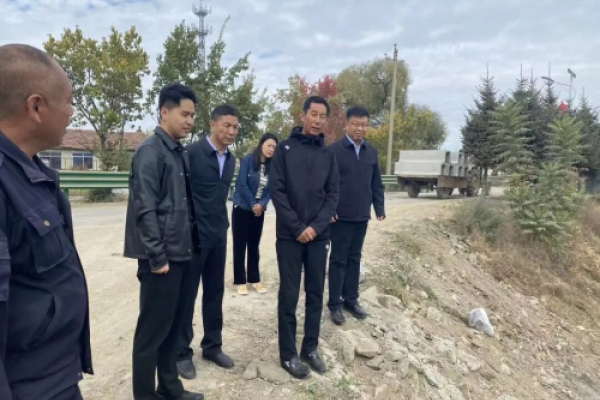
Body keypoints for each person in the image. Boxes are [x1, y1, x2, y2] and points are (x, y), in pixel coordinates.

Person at [0, 44, 93, 400]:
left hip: (56, 374)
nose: (71, 112)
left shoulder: (32, 172)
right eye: (68, 101)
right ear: (36, 106)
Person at [124, 83, 204, 400]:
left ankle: (170, 388)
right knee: (151, 333)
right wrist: (157, 258)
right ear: (164, 112)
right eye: (184, 114)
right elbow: (144, 208)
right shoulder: (151, 152)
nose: (190, 121)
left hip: (183, 254)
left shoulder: (178, 152)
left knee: (172, 328)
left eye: (193, 115)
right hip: (162, 260)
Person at [270, 96, 340, 379]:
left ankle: (309, 349)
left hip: (319, 237)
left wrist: (315, 227)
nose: (317, 120)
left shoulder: (328, 155)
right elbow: (277, 191)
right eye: (313, 114)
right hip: (290, 236)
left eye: (322, 116)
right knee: (288, 296)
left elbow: (333, 195)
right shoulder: (284, 149)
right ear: (303, 116)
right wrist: (298, 227)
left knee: (315, 295)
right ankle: (288, 355)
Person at [176, 105, 238, 379]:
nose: (231, 131)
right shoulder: (191, 153)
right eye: (226, 125)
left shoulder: (231, 160)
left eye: (235, 127)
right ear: (213, 124)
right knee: (187, 296)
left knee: (215, 293)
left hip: (218, 236)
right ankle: (181, 352)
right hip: (193, 237)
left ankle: (212, 346)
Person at [327, 106, 385, 326]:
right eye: (356, 124)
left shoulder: (371, 152)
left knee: (355, 258)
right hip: (340, 217)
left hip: (361, 215)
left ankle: (351, 299)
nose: (360, 128)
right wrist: (329, 209)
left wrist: (379, 207)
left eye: (364, 125)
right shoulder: (334, 151)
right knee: (338, 260)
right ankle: (335, 304)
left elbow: (376, 182)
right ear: (347, 125)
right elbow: (325, 184)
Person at [231, 133, 278, 295]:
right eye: (269, 145)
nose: (271, 149)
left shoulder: (273, 166)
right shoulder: (248, 160)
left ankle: (254, 278)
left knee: (254, 244)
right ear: (261, 144)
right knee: (239, 244)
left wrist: (262, 205)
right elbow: (242, 184)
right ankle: (240, 280)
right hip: (243, 207)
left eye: (274, 147)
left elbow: (271, 189)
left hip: (259, 209)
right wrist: (253, 204)